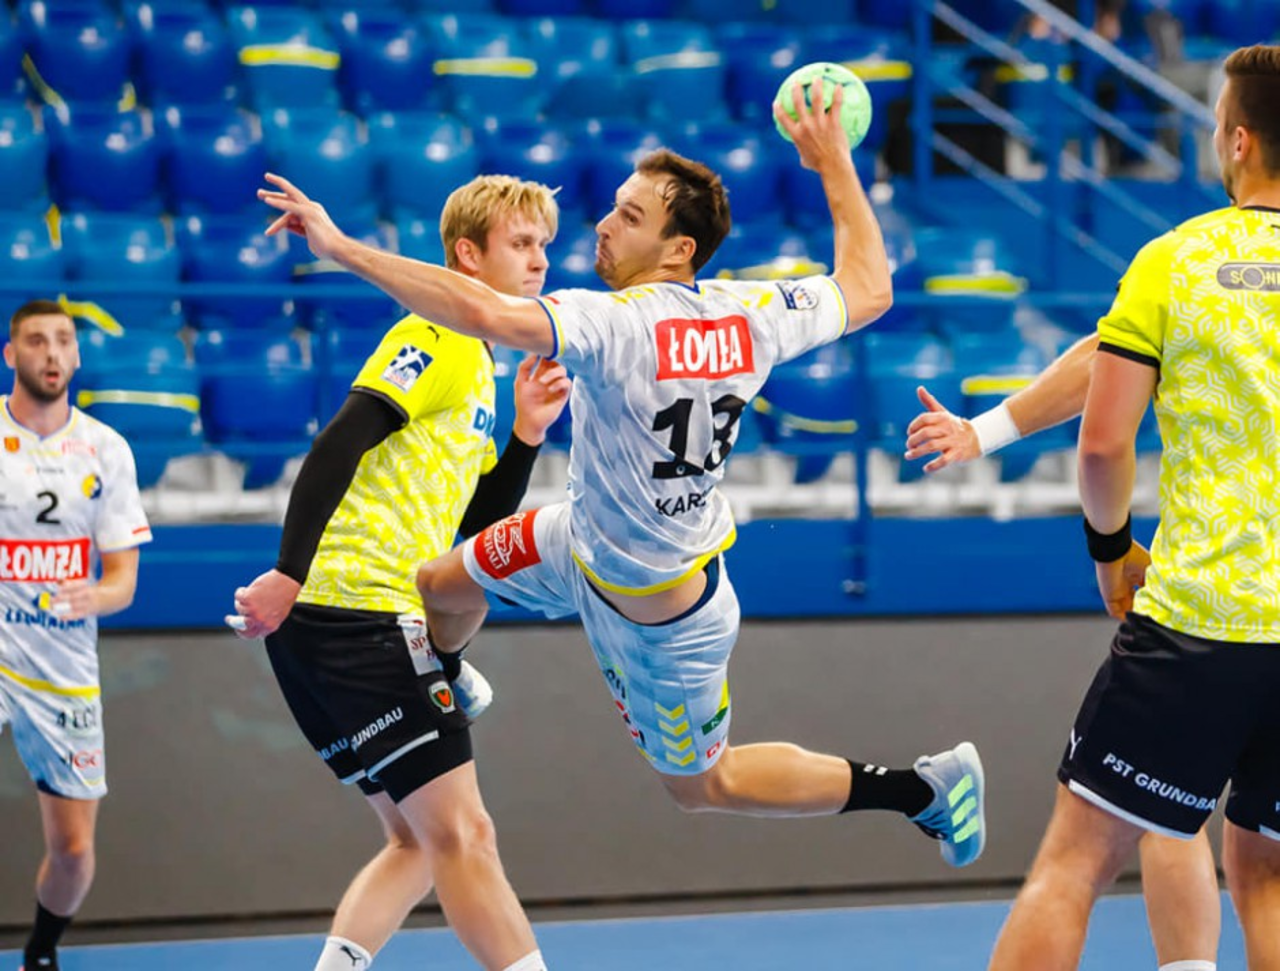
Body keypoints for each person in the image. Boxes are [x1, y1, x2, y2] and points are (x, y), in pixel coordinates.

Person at [257, 79, 988, 865]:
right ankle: (449, 675)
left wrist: (342, 248)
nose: (603, 224)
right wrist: (834, 161)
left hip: (660, 612)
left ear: (679, 250)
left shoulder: (612, 322)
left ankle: (922, 788)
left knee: (704, 785)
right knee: (437, 583)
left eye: (630, 217)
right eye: (613, 206)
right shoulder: (753, 312)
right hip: (579, 535)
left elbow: (482, 311)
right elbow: (869, 288)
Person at [228, 175, 572, 971]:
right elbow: (338, 441)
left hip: (343, 625)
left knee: (416, 841)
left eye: (544, 245)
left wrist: (525, 434)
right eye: (521, 243)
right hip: (358, 614)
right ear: (467, 256)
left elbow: (472, 530)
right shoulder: (438, 333)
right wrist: (288, 570)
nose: (540, 260)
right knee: (466, 834)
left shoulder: (481, 365)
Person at [986, 44, 1280, 971]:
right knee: (1268, 875)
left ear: (1239, 140)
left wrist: (1111, 548)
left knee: (1073, 863)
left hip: (1203, 618)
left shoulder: (1176, 260)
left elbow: (1104, 443)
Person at [904, 338, 1223, 969]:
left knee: (1082, 856)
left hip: (1214, 602)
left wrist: (1110, 550)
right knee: (1257, 863)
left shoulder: (1184, 280)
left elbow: (1106, 401)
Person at [0, 299, 152, 971]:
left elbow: (123, 579)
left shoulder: (106, 448)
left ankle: (39, 953)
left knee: (73, 851)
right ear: (12, 355)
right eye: (37, 341)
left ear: (78, 355)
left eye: (64, 340)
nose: (52, 353)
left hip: (61, 666)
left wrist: (98, 594)